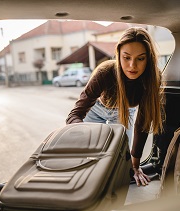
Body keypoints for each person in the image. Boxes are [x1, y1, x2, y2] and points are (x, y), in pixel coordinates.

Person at [66, 27, 165, 187]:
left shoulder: (153, 78)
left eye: (140, 59)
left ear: (149, 59)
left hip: (124, 112)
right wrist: (83, 137)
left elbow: (143, 122)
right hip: (96, 108)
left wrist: (135, 165)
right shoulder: (105, 72)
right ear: (118, 55)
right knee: (91, 152)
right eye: (126, 57)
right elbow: (75, 114)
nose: (132, 65)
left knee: (120, 156)